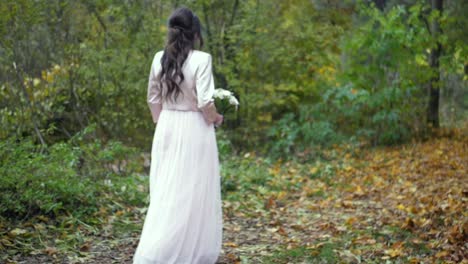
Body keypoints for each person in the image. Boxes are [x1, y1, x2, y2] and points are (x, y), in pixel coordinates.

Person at [133, 7, 223, 264]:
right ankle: (190, 250)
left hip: (167, 126)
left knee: (167, 189)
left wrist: (162, 123)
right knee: (193, 188)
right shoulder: (202, 59)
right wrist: (216, 118)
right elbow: (206, 101)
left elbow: (152, 97)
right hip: (195, 128)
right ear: (195, 32)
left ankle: (160, 247)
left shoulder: (158, 58)